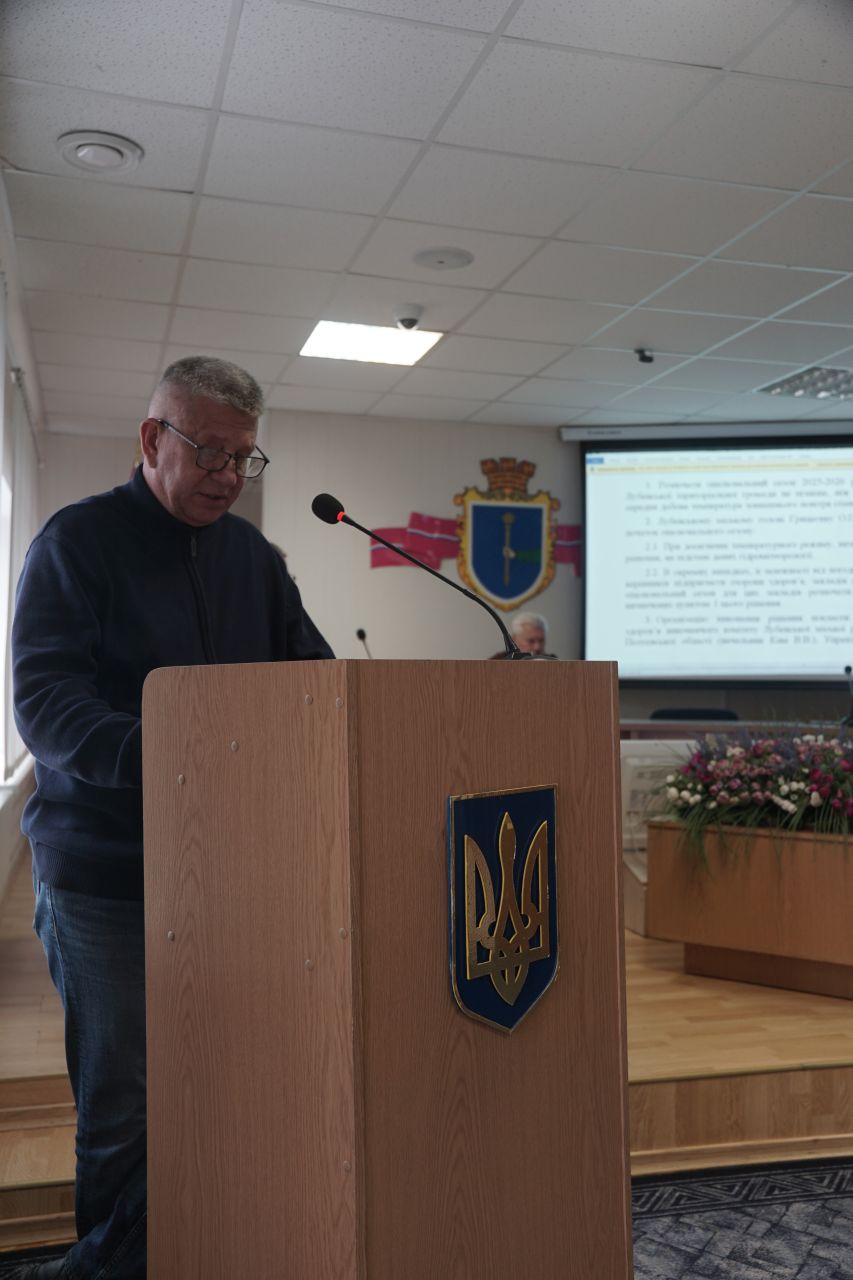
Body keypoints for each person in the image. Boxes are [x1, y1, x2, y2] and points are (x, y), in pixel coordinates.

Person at [10, 356, 333, 1280]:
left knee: (217, 1086)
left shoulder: (252, 561)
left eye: (244, 456)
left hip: (232, 872)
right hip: (105, 877)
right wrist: (178, 759)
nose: (229, 475)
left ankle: (193, 1249)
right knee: (123, 1108)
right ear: (153, 439)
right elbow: (45, 704)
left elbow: (313, 683)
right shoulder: (76, 543)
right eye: (211, 452)